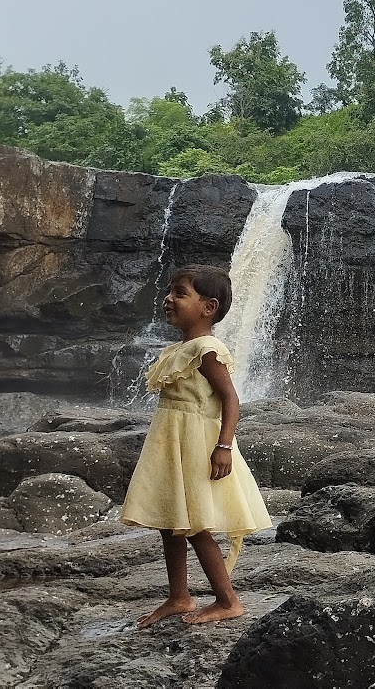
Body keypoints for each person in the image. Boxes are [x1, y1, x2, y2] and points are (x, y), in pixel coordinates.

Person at [120, 264, 273, 627]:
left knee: (195, 524)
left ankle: (227, 600)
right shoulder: (180, 348)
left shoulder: (207, 349)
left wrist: (224, 446)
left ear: (209, 306)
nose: (168, 299)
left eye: (180, 293)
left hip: (196, 443)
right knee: (170, 519)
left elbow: (230, 399)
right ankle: (180, 597)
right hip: (170, 441)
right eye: (170, 291)